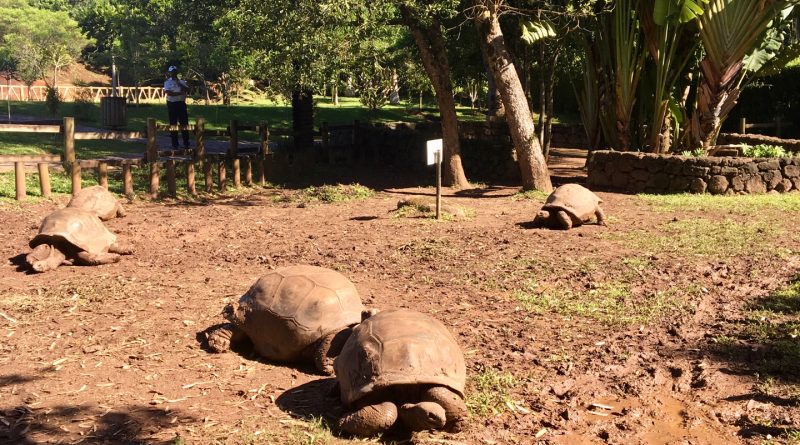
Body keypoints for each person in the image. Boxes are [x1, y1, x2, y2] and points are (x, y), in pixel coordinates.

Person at [163, 65, 191, 149]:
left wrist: (179, 83)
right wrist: (179, 93)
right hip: (172, 104)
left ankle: (186, 143)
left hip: (181, 104)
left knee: (184, 123)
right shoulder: (167, 82)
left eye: (175, 72)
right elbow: (168, 93)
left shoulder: (182, 81)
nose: (174, 73)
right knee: (173, 123)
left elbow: (187, 90)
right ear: (170, 73)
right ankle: (175, 144)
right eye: (172, 72)